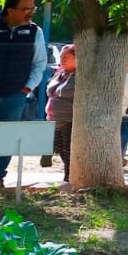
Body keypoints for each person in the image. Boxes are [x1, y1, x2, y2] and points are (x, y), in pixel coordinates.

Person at [0, 0, 46, 191]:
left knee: (7, 138)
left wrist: (27, 87)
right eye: (25, 9)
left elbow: (40, 63)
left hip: (15, 94)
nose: (30, 13)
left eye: (32, 9)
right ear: (10, 10)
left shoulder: (35, 32)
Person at [46, 44, 76, 182]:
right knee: (62, 152)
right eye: (61, 57)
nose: (62, 60)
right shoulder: (60, 74)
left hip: (69, 120)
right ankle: (67, 178)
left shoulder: (79, 76)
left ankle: (69, 179)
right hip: (54, 120)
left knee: (69, 153)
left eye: (66, 57)